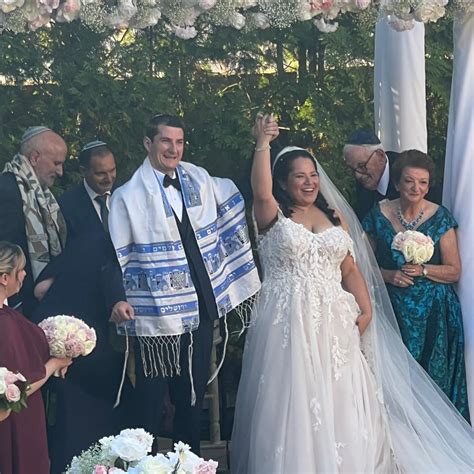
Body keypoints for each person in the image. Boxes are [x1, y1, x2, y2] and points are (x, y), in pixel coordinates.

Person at [231, 114, 473, 473]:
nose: (310, 182)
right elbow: (261, 190)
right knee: (295, 396)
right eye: (300, 176)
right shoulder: (272, 214)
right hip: (289, 319)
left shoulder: (333, 216)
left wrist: (366, 309)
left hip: (336, 319)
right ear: (283, 181)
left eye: (313, 175)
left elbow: (349, 268)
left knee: (341, 393)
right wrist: (263, 143)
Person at [108, 114, 261, 454]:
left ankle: (189, 465)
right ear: (148, 143)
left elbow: (240, 189)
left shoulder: (199, 180)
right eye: (166, 141)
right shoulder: (127, 196)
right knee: (150, 401)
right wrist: (117, 299)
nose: (173, 149)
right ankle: (144, 467)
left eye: (179, 142)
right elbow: (113, 254)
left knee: (191, 398)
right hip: (154, 315)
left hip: (200, 310)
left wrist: (261, 145)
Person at [31, 141, 132, 473]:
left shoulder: (126, 198)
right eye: (100, 173)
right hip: (80, 308)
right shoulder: (66, 206)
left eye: (112, 171)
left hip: (121, 301)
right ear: (84, 172)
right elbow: (60, 254)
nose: (108, 178)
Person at [362, 150, 470, 421]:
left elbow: (454, 270)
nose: (416, 188)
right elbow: (361, 265)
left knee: (434, 380)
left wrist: (424, 269)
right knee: (397, 380)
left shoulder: (440, 217)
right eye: (409, 181)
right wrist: (388, 275)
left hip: (435, 314)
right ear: (397, 183)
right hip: (393, 311)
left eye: (423, 183)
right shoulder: (378, 215)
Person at [0, 241, 71, 474]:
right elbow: (19, 388)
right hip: (15, 423)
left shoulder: (8, 316)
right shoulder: (5, 325)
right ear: (5, 278)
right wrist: (55, 363)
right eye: (20, 270)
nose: (24, 275)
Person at [0, 126, 67, 318]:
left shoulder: (41, 195)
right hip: (15, 305)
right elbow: (4, 253)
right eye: (56, 163)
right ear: (35, 157)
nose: (60, 172)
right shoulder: (7, 190)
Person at [342, 129, 400, 220]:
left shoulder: (407, 175)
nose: (358, 175)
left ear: (380, 157)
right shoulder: (362, 184)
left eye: (362, 166)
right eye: (352, 169)